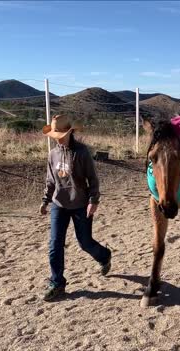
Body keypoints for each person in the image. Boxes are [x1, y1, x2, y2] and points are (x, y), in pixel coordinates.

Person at [40, 114, 111, 301]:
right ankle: (57, 283)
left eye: (60, 133)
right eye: (55, 134)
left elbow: (92, 179)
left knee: (84, 242)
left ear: (70, 132)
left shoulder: (82, 152)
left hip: (80, 204)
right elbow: (50, 180)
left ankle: (104, 256)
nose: (58, 138)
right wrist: (45, 200)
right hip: (59, 204)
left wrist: (93, 201)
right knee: (55, 244)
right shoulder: (53, 154)